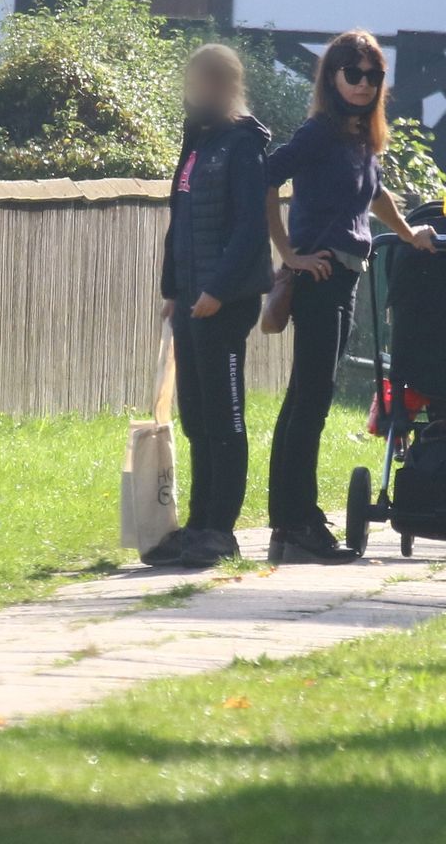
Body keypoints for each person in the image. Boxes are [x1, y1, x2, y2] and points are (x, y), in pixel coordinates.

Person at [264, 30, 437, 563]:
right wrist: (289, 254)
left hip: (342, 276)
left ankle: (288, 527)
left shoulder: (360, 136)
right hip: (319, 276)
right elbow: (265, 178)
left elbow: (375, 193)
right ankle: (299, 525)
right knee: (309, 405)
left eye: (373, 76)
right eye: (353, 74)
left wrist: (409, 235)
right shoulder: (320, 132)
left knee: (303, 401)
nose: (363, 85)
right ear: (332, 77)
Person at [144, 44, 273, 569]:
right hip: (192, 302)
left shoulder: (244, 146)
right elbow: (180, 218)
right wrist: (173, 291)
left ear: (225, 86)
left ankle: (221, 530)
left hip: (226, 301)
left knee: (225, 417)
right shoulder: (196, 141)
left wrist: (217, 290)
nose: (194, 91)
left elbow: (249, 228)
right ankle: (198, 524)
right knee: (196, 418)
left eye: (205, 82)